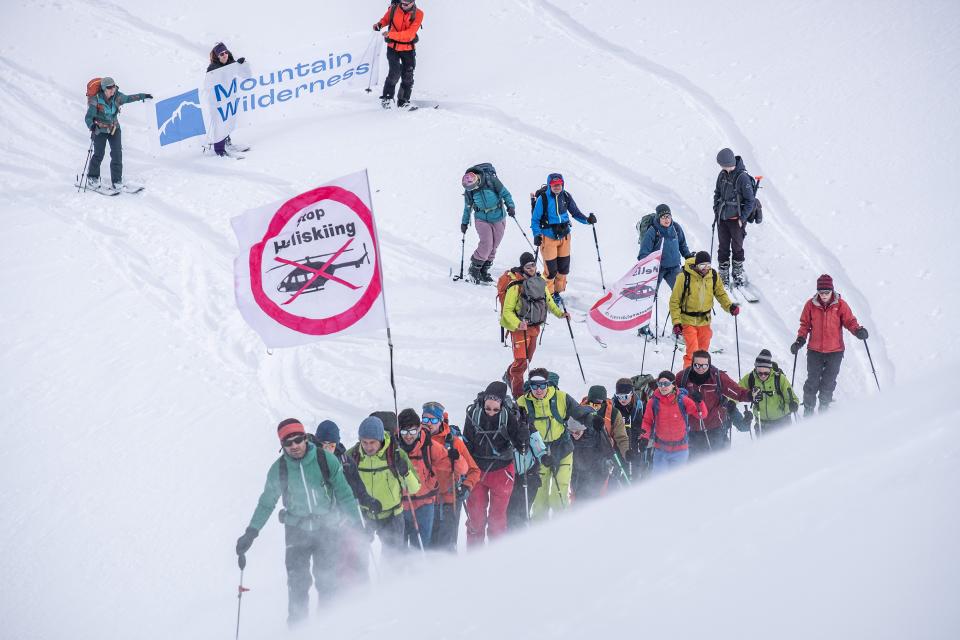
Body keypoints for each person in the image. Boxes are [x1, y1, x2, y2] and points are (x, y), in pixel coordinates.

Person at [235, 419, 362, 626]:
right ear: (282, 446)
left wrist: (357, 526)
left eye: (297, 439)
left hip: (327, 529)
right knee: (297, 585)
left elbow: (345, 494)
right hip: (296, 531)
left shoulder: (325, 460)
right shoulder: (280, 469)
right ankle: (298, 630)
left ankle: (330, 628)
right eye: (288, 442)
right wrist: (251, 532)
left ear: (305, 438)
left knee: (328, 583)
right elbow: (266, 503)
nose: (294, 445)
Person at [519, 368, 598, 519]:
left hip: (562, 450)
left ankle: (561, 532)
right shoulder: (522, 403)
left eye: (542, 385)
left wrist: (593, 421)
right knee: (539, 500)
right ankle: (539, 535)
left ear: (547, 384)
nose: (539, 390)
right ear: (530, 385)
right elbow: (514, 426)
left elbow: (580, 413)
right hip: (538, 455)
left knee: (559, 497)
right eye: (534, 386)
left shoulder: (561, 398)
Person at [791, 274, 868, 417]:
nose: (824, 295)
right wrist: (800, 340)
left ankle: (824, 408)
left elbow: (850, 321)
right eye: (821, 292)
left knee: (828, 382)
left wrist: (858, 330)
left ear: (832, 290)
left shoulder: (840, 305)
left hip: (835, 351)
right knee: (812, 381)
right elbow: (805, 325)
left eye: (827, 292)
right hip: (814, 351)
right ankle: (808, 410)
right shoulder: (810, 305)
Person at [314, 420, 380, 587]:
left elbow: (358, 488)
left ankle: (363, 594)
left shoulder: (346, 461)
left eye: (332, 444)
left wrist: (369, 501)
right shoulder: (311, 463)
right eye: (324, 444)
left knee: (358, 558)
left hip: (348, 519)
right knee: (333, 567)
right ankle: (334, 602)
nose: (328, 448)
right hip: (326, 524)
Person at [462, 381, 528, 546]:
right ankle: (474, 556)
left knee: (497, 519)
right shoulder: (473, 414)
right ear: (483, 403)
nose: (491, 412)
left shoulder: (510, 416)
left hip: (502, 471)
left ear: (502, 406)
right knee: (476, 518)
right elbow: (466, 443)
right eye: (488, 408)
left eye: (495, 409)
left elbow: (522, 448)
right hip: (477, 471)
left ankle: (496, 557)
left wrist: (523, 430)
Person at [344, 416, 420, 555]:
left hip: (392, 516)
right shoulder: (352, 456)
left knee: (393, 559)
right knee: (358, 556)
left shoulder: (395, 454)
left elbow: (414, 488)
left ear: (380, 439)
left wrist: (406, 472)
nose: (368, 447)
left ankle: (394, 577)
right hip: (364, 515)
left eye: (372, 442)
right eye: (364, 442)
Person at [500, 252, 568, 398]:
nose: (531, 268)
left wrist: (560, 314)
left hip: (535, 327)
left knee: (527, 359)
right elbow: (507, 311)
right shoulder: (516, 285)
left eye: (533, 265)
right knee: (520, 362)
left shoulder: (539, 281)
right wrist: (518, 324)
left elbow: (548, 301)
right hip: (520, 329)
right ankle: (519, 397)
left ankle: (509, 375)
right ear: (522, 267)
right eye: (527, 266)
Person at [531, 173, 597, 303]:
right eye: (554, 185)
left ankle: (557, 293)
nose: (557, 187)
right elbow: (535, 220)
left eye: (559, 184)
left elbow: (576, 213)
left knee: (563, 269)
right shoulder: (543, 199)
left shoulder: (566, 196)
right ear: (550, 185)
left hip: (565, 237)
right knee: (550, 271)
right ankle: (548, 296)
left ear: (563, 184)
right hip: (548, 237)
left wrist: (588, 220)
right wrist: (537, 235)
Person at [422, 401, 480, 551]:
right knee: (425, 548)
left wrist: (467, 487)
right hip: (423, 502)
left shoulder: (454, 443)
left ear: (440, 421)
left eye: (433, 420)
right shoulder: (415, 441)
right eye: (425, 419)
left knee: (446, 548)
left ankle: (450, 573)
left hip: (449, 503)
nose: (429, 424)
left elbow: (474, 470)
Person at [675, 350, 752, 458]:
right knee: (693, 464)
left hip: (715, 428)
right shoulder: (682, 377)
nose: (700, 368)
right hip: (691, 429)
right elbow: (670, 393)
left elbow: (736, 391)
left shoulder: (717, 377)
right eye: (697, 365)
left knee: (717, 461)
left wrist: (750, 395)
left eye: (704, 365)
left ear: (709, 365)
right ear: (692, 364)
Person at [669, 251, 739, 368]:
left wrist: (729, 306)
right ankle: (688, 378)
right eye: (702, 265)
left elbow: (720, 294)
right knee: (692, 352)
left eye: (708, 265)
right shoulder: (684, 277)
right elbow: (674, 301)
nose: (705, 268)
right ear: (696, 265)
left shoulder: (713, 276)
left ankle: (701, 378)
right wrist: (676, 322)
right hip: (687, 320)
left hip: (705, 321)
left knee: (703, 354)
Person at [84, 77, 152, 193]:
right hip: (100, 130)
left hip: (114, 128)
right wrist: (92, 126)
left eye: (114, 87)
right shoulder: (96, 100)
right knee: (98, 154)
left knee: (117, 154)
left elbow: (130, 98)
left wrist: (143, 96)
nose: (112, 90)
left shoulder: (118, 97)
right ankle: (92, 178)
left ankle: (117, 181)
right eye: (110, 88)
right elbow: (88, 117)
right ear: (104, 89)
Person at [396, 409, 450, 549]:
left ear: (419, 428)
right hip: (399, 506)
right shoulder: (393, 449)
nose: (408, 436)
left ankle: (419, 571)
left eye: (412, 431)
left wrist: (455, 458)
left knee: (420, 548)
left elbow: (459, 467)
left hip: (424, 505)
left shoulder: (430, 446)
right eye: (404, 432)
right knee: (398, 549)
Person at [638, 204, 693, 339]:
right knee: (648, 297)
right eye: (663, 217)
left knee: (683, 295)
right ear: (658, 217)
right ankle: (643, 329)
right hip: (657, 269)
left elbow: (682, 245)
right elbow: (643, 254)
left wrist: (689, 257)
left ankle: (679, 329)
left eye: (668, 216)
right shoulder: (653, 231)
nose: (666, 219)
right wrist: (649, 265)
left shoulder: (676, 228)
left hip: (674, 267)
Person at [639, 372, 707, 474]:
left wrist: (700, 402)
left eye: (666, 384)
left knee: (676, 484)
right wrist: (644, 437)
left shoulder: (682, 400)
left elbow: (701, 415)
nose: (663, 387)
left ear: (673, 384)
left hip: (680, 450)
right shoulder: (653, 402)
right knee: (659, 482)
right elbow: (647, 421)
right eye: (660, 384)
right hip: (660, 450)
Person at [461, 168, 517, 283]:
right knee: (487, 243)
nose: (473, 190)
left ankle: (484, 271)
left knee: (494, 245)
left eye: (474, 187)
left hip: (498, 216)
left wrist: (510, 206)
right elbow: (467, 208)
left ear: (477, 180)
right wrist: (464, 222)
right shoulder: (469, 190)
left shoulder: (491, 181)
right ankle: (474, 269)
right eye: (470, 189)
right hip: (481, 218)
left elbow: (506, 194)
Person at [713, 148, 757, 288]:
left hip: (736, 220)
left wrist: (742, 218)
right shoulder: (722, 174)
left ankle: (737, 272)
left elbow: (751, 201)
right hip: (722, 219)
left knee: (737, 248)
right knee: (723, 247)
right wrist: (716, 209)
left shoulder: (742, 178)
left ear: (728, 162)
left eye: (722, 164)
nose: (721, 167)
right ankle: (723, 274)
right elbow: (717, 193)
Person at [374, 0, 424, 109]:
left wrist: (391, 34)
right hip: (393, 48)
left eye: (406, 4)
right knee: (394, 73)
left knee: (408, 76)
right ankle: (387, 98)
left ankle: (403, 101)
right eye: (402, 3)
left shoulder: (419, 14)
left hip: (408, 49)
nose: (403, 5)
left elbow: (410, 35)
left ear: (413, 2)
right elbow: (386, 19)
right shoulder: (393, 9)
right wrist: (379, 24)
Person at [739, 349, 800, 433]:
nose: (763, 375)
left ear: (770, 370)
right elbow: (737, 391)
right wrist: (731, 402)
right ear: (756, 369)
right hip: (761, 425)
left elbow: (793, 398)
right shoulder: (750, 378)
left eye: (766, 373)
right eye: (760, 373)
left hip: (782, 423)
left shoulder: (779, 379)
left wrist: (793, 405)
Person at [206, 42, 247, 157]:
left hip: (228, 98)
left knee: (227, 120)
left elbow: (245, 75)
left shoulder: (231, 63)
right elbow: (209, 85)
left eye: (225, 52)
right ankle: (219, 150)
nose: (224, 55)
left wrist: (242, 65)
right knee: (220, 123)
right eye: (221, 54)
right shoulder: (212, 68)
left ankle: (227, 142)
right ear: (217, 57)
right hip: (217, 102)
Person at [581, 385, 630, 482]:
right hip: (585, 453)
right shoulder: (580, 410)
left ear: (603, 402)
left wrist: (627, 452)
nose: (594, 407)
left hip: (606, 453)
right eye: (591, 403)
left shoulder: (614, 413)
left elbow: (621, 437)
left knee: (607, 487)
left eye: (597, 404)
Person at [569, 413, 616, 502]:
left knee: (595, 502)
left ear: (583, 428)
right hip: (577, 476)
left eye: (577, 432)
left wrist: (601, 429)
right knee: (578, 504)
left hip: (596, 474)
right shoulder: (570, 438)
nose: (574, 434)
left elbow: (608, 451)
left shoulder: (595, 434)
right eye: (571, 431)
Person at [612, 376, 653, 478]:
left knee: (637, 473)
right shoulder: (612, 406)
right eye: (619, 396)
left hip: (636, 444)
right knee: (620, 474)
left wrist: (642, 432)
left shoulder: (640, 404)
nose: (622, 400)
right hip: (619, 445)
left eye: (625, 396)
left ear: (631, 393)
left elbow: (647, 422)